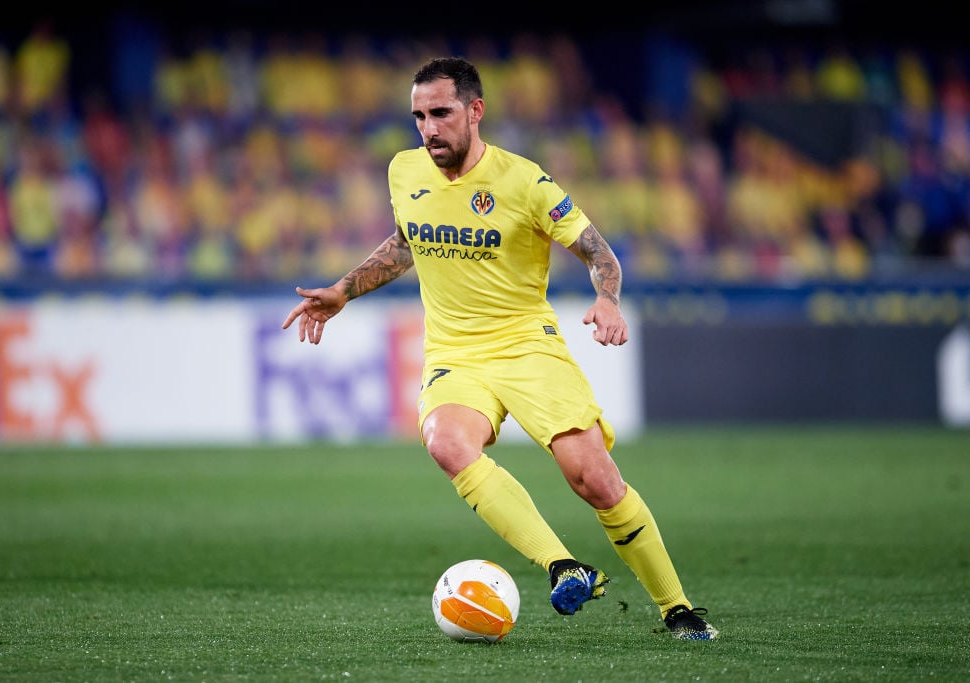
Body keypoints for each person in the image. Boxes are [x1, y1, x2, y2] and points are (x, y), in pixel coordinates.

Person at [282, 56, 718, 640]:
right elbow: (409, 241)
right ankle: (564, 565)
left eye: (440, 113)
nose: (428, 129)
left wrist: (608, 300)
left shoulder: (525, 182)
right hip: (454, 354)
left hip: (526, 347)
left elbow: (598, 253)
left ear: (475, 111)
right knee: (445, 442)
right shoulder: (403, 170)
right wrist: (343, 290)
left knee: (593, 479)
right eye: (418, 117)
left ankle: (678, 609)